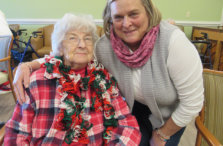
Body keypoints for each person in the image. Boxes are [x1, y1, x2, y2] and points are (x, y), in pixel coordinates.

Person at [13, 0, 204, 145]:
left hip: (170, 114)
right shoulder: (104, 46)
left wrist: (162, 134)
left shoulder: (173, 43)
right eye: (118, 17)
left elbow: (192, 103)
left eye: (134, 14)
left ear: (149, 13)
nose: (126, 23)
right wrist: (30, 65)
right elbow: (69, 54)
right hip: (134, 106)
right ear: (110, 20)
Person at [4, 13, 141, 145]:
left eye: (87, 38)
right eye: (73, 38)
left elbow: (128, 124)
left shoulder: (104, 79)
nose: (82, 44)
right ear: (60, 47)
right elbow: (17, 133)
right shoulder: (38, 81)